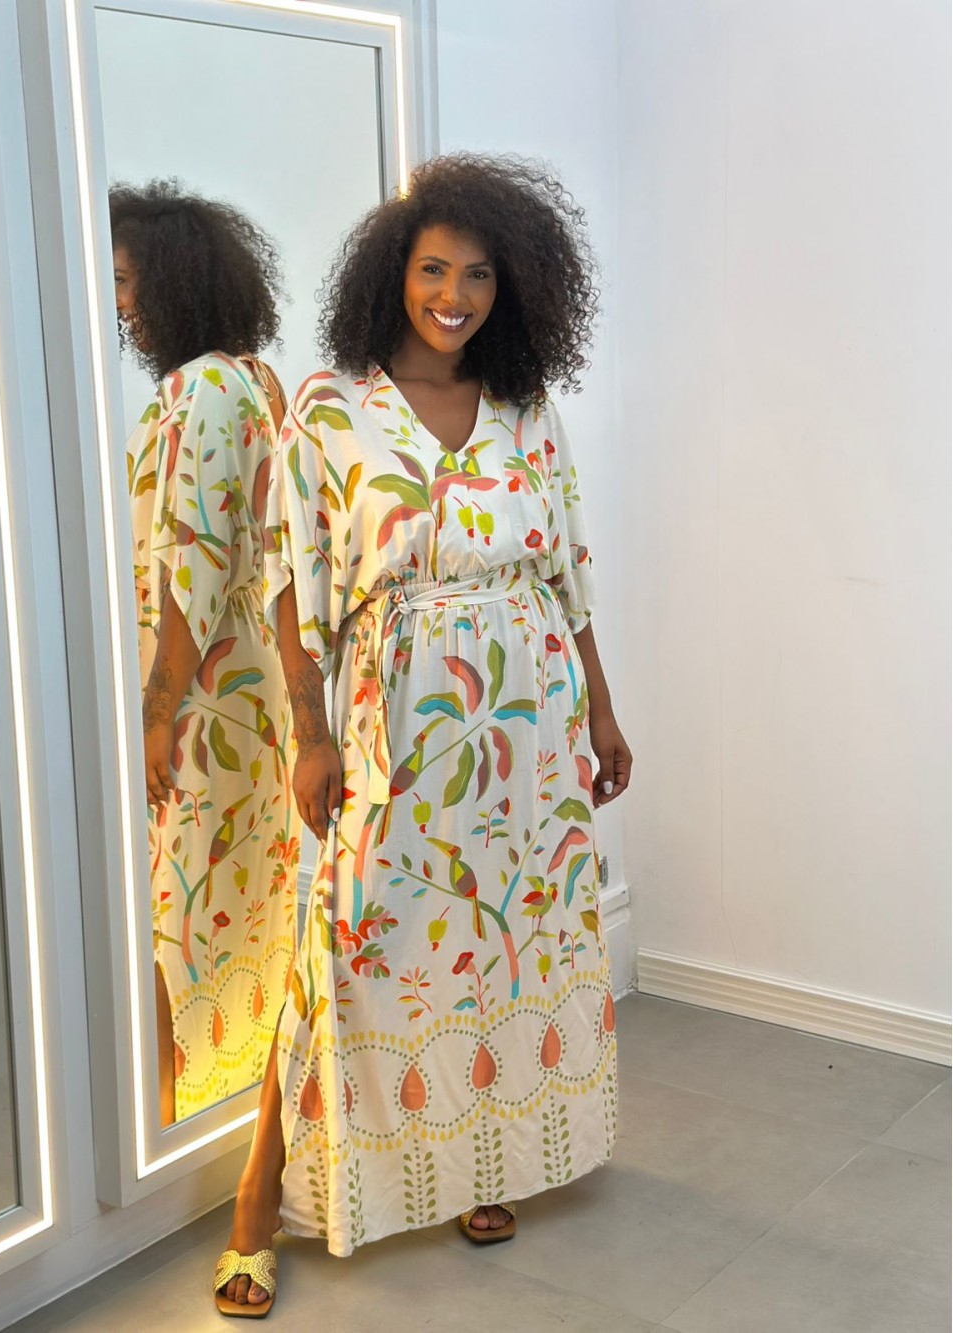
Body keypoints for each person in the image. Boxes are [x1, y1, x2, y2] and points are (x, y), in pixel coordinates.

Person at [213, 153, 632, 1316]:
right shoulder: (331, 409)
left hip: (528, 721)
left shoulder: (527, 408)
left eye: (480, 275)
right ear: (392, 273)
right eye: (435, 269)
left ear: (514, 286)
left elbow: (567, 569)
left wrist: (601, 707)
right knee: (345, 946)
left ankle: (477, 1159)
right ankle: (255, 1204)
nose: (456, 296)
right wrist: (309, 734)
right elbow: (292, 582)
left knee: (499, 944)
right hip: (392, 717)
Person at [112, 180, 298, 1126]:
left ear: (172, 281)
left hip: (201, 692)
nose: (118, 305)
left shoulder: (198, 390)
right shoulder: (256, 380)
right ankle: (235, 1114)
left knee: (173, 919)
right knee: (244, 903)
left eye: (126, 282)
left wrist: (157, 713)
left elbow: (194, 560)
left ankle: (166, 1126)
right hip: (249, 687)